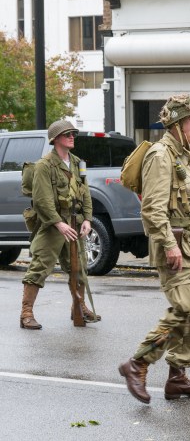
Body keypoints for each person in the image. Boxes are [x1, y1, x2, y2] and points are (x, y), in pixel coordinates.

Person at [118, 94, 190, 404]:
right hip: (177, 245)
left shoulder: (187, 154)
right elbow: (152, 209)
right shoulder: (161, 156)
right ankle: (138, 363)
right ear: (176, 123)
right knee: (186, 308)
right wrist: (170, 245)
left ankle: (177, 377)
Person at [19, 120, 99, 329]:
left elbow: (86, 193)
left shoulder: (77, 162)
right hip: (52, 225)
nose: (72, 136)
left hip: (74, 222)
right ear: (55, 139)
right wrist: (58, 224)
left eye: (73, 133)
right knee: (39, 267)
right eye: (67, 134)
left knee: (78, 268)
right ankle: (26, 313)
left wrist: (88, 219)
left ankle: (78, 308)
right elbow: (41, 201)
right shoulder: (44, 166)